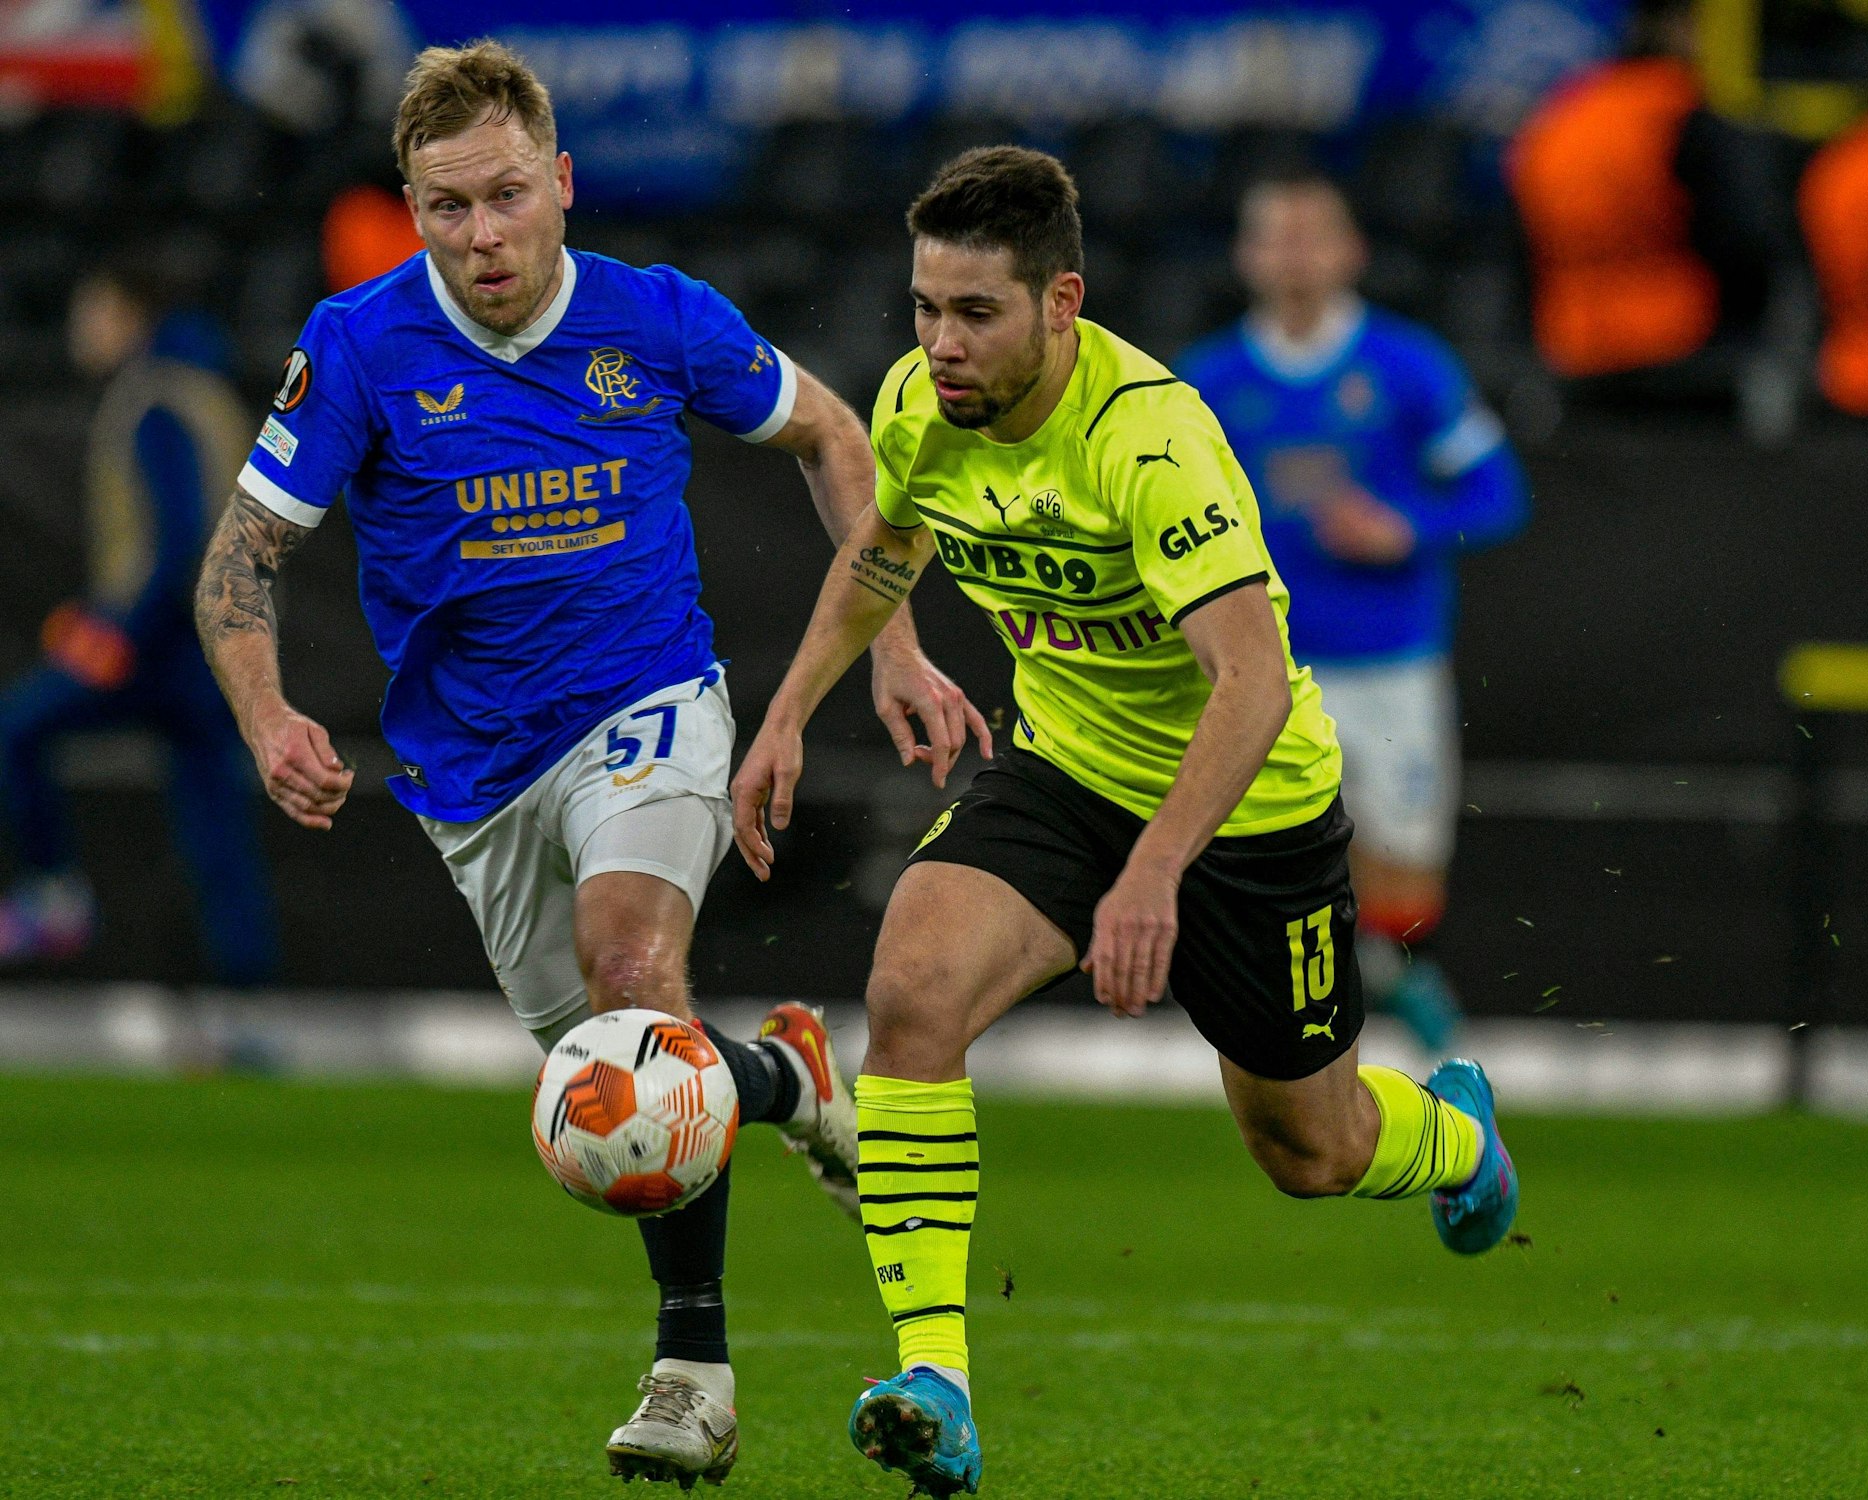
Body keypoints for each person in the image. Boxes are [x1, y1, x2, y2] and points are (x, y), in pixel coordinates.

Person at [192, 40, 988, 1488]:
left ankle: (695, 1373)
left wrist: (892, 643)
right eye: (446, 208)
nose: (481, 236)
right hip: (472, 775)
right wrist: (265, 715)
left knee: (632, 980)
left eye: (505, 196)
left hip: (650, 704)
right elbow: (240, 563)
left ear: (560, 183)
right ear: (412, 207)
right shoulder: (361, 345)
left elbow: (832, 434)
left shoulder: (659, 318)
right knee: (609, 1087)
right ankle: (784, 1079)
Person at [729, 146, 1520, 1498]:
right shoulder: (921, 402)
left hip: (1247, 812)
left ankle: (1454, 1136)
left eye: (976, 313)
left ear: (1062, 303)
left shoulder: (1150, 436)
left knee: (1308, 1152)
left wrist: (1155, 877)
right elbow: (884, 549)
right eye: (925, 307)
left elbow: (1254, 682)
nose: (941, 342)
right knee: (911, 993)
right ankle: (936, 1378)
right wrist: (800, 702)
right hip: (1065, 773)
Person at [1177, 174, 1530, 1053]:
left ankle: (1384, 973)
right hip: (1261, 665)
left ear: (1350, 252)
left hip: (1389, 657)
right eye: (1275, 237)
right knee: (1252, 842)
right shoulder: (1206, 382)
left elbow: (1497, 491)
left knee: (1406, 861)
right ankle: (1284, 1013)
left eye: (1313, 236)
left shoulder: (1409, 368)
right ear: (1246, 256)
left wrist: (1405, 528)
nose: (1295, 256)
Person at [0, 255, 277, 982]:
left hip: (160, 644)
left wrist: (118, 630)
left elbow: (177, 538)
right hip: (215, 642)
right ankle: (247, 990)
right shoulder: (206, 389)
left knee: (16, 731)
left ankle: (54, 894)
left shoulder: (154, 398)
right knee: (215, 819)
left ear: (127, 314)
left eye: (90, 311)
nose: (77, 329)